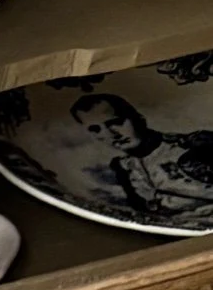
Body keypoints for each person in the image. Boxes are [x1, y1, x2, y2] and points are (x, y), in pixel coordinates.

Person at [68, 90, 213, 224]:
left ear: (139, 119)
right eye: (96, 129)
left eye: (116, 122)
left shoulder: (193, 145)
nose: (111, 134)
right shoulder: (123, 167)